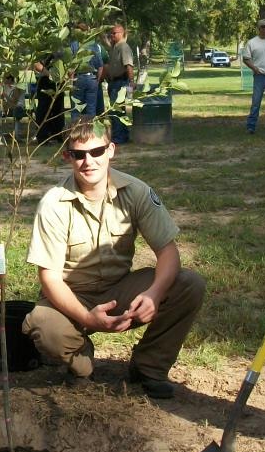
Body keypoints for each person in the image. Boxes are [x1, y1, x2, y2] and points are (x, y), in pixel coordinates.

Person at [22, 118, 206, 398]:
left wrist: (154, 294)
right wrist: (87, 318)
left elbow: (168, 252)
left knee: (188, 284)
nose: (88, 162)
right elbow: (49, 278)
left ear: (111, 150)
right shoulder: (53, 204)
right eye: (79, 155)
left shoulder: (136, 192)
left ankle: (149, 367)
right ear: (66, 156)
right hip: (72, 295)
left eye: (97, 152)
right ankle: (81, 366)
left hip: (120, 290)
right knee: (43, 324)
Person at [99, 22, 135, 145]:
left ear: (121, 33)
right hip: (113, 83)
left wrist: (131, 82)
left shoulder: (123, 47)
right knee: (119, 110)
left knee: (116, 110)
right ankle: (123, 135)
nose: (111, 35)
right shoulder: (115, 47)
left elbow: (129, 65)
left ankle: (119, 137)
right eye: (111, 33)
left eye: (114, 33)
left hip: (121, 82)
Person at [70, 24, 106, 121]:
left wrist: (71, 81)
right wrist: (97, 81)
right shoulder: (94, 45)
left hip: (79, 78)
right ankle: (90, 132)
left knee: (76, 109)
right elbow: (100, 66)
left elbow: (72, 66)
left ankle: (75, 133)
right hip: (92, 79)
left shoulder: (74, 45)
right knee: (91, 109)